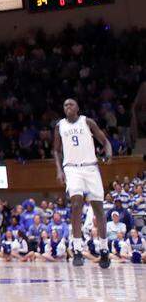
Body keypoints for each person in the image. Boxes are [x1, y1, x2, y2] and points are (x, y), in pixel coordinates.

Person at [53, 98, 112, 269]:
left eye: (71, 104)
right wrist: (59, 170)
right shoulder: (60, 126)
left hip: (91, 167)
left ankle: (104, 249)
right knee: (76, 203)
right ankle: (77, 248)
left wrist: (108, 153)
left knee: (98, 208)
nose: (68, 107)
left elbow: (105, 141)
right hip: (72, 168)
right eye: (65, 105)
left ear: (78, 107)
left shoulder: (87, 121)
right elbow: (56, 150)